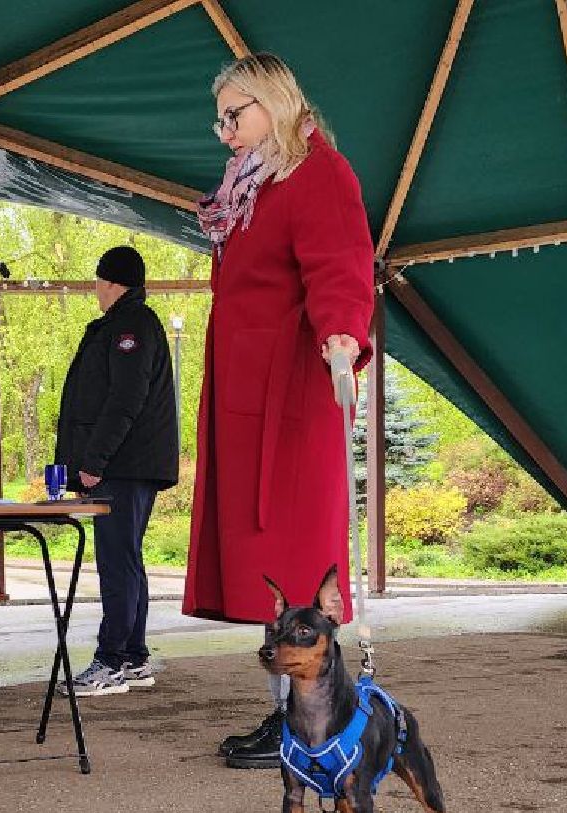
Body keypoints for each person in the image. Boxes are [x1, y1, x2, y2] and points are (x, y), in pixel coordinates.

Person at [182, 54, 376, 768]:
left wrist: (339, 334)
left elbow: (340, 264)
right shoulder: (251, 185)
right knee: (272, 565)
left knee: (295, 563)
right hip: (247, 398)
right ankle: (292, 715)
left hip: (291, 394)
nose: (224, 131)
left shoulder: (316, 173)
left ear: (273, 101)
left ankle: (312, 722)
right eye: (221, 118)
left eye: (235, 114)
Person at [54, 245, 181, 696]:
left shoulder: (131, 326)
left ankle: (111, 660)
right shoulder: (128, 324)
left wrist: (93, 461)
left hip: (123, 466)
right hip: (127, 464)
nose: (95, 291)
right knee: (126, 558)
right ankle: (133, 657)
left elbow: (125, 399)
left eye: (97, 282)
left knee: (117, 560)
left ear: (109, 282)